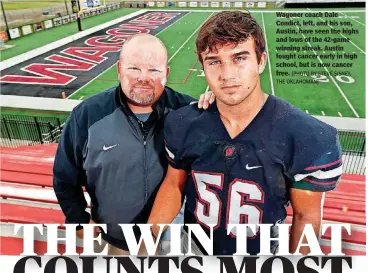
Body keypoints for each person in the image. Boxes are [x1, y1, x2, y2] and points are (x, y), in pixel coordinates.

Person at [147, 11, 342, 255]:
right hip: (194, 249)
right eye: (214, 61)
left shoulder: (306, 135)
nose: (227, 75)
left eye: (239, 58)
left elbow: (306, 214)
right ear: (203, 67)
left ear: (261, 61)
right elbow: (174, 184)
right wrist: (148, 242)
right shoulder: (183, 122)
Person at [53, 34, 214, 255]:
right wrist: (78, 218)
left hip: (173, 238)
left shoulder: (188, 113)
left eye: (154, 70)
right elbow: (64, 175)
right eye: (134, 68)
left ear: (166, 74)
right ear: (119, 69)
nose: (143, 78)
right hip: (115, 240)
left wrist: (217, 108)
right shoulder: (87, 115)